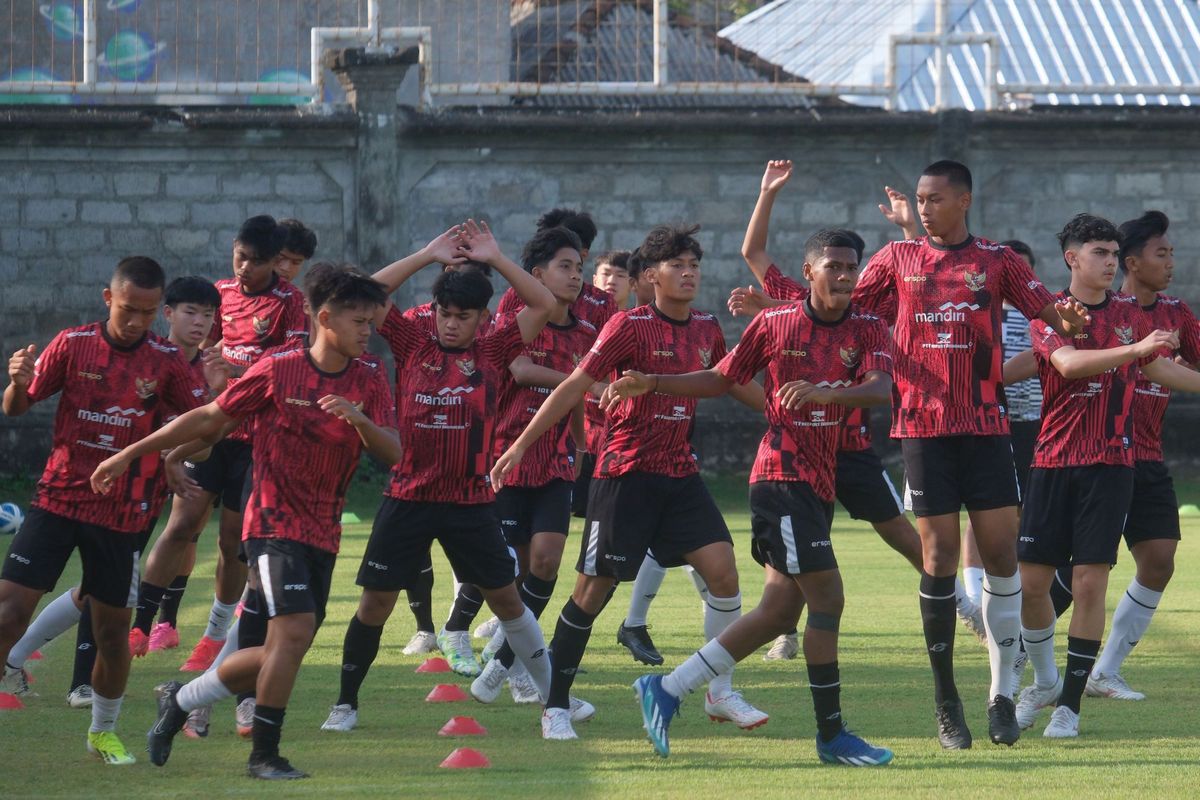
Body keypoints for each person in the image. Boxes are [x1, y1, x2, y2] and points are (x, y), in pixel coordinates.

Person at [93, 263, 401, 779]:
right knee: (294, 634)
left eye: (371, 322)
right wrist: (132, 453)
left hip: (324, 532)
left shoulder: (369, 377)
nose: (368, 331)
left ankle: (181, 698)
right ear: (325, 318)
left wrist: (361, 420)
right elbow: (211, 417)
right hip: (272, 526)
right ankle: (264, 755)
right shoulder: (279, 369)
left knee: (282, 647)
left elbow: (393, 452)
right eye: (359, 321)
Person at [622, 227, 894, 764]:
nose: (844, 276)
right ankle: (832, 736)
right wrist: (653, 381)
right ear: (809, 272)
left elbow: (883, 389)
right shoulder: (777, 322)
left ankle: (669, 689)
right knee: (829, 599)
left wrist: (826, 393)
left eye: (851, 268)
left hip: (818, 483)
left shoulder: (868, 326)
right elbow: (722, 378)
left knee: (776, 612)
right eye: (833, 267)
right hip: (781, 478)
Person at [492, 223, 767, 742]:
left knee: (724, 573)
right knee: (591, 593)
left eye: (694, 265)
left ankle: (719, 691)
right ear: (651, 275)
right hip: (625, 475)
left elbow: (728, 380)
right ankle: (555, 706)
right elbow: (574, 386)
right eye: (677, 265)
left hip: (679, 473)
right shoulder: (628, 326)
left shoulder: (706, 327)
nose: (689, 273)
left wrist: (784, 413)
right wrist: (521, 445)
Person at [851, 160, 1089, 749]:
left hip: (985, 427)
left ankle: (1001, 695)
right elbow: (847, 314)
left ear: (964, 200)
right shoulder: (895, 259)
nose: (924, 207)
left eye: (935, 198)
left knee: (1003, 556)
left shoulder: (998, 261)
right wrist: (781, 308)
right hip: (922, 428)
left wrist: (1069, 321)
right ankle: (946, 702)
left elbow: (1048, 312)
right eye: (920, 199)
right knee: (938, 557)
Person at [320, 220, 566, 734]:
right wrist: (428, 254)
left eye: (463, 316)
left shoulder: (494, 351)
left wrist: (496, 258)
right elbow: (364, 293)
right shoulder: (413, 342)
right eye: (444, 313)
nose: (451, 324)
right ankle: (345, 704)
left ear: (482, 318)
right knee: (375, 604)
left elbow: (544, 303)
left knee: (508, 602)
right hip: (408, 496)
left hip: (470, 502)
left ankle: (555, 702)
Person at [0, 257, 205, 765]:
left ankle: (102, 732)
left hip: (122, 513)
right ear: (108, 298)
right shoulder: (73, 345)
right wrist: (18, 383)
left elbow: (204, 426)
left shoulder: (166, 361)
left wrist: (170, 458)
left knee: (113, 635)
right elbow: (16, 407)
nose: (137, 321)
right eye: (128, 309)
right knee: (8, 610)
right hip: (59, 498)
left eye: (148, 312)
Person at [1012, 213, 1200, 739]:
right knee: (1033, 585)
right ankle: (1043, 681)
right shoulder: (1051, 312)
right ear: (1072, 258)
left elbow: (1157, 368)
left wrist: (1159, 361)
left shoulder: (1130, 314)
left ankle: (1070, 706)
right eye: (1100, 253)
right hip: (1052, 461)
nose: (1110, 262)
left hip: (1113, 464)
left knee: (1091, 583)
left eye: (1114, 254)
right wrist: (1137, 350)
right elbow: (1069, 364)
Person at [133, 216, 306, 678]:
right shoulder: (220, 293)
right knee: (181, 523)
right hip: (214, 428)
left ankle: (212, 636)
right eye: (239, 257)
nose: (245, 267)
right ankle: (143, 622)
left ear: (274, 262)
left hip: (258, 439)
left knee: (232, 542)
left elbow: (291, 364)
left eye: (255, 261)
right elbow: (198, 353)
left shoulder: (291, 303)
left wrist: (237, 372)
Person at [470, 226, 599, 704]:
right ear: (538, 275)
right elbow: (521, 371)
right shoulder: (515, 318)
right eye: (565, 267)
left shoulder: (587, 333)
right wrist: (583, 380)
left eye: (579, 268)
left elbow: (574, 398)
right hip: (506, 457)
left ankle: (502, 664)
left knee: (546, 562)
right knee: (514, 575)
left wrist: (582, 442)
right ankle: (513, 659)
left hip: (556, 463)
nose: (576, 276)